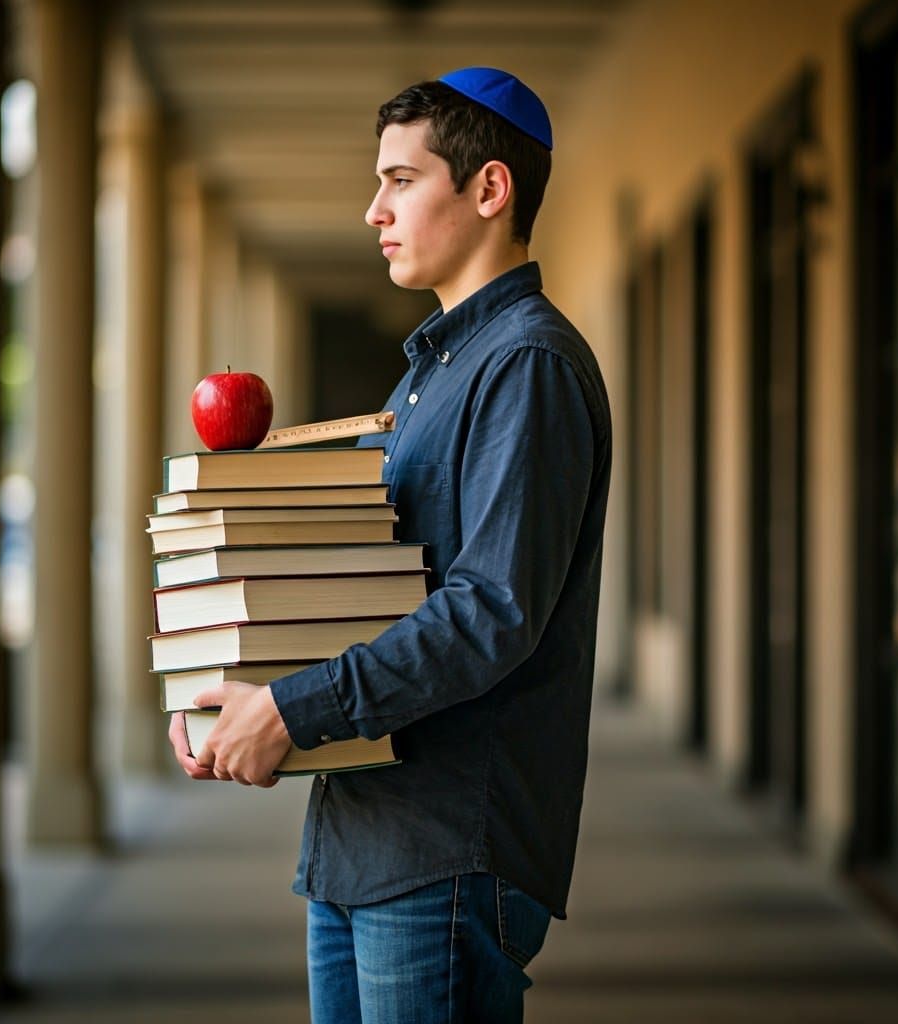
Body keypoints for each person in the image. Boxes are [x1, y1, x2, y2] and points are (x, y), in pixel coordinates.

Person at [169, 66, 612, 1024]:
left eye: (402, 180)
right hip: (359, 833)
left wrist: (291, 709)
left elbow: (489, 613)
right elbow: (362, 579)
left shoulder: (524, 363)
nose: (374, 210)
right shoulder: (430, 376)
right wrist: (227, 694)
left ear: (489, 190)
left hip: (446, 847)